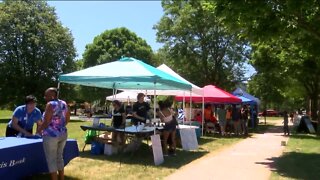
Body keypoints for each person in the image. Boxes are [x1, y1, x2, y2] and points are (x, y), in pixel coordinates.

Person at [39, 87, 70, 180]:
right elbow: (68, 118)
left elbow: (46, 121)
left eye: (46, 95)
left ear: (52, 96)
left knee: (51, 159)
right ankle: (61, 178)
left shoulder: (50, 104)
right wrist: (61, 126)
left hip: (51, 136)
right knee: (59, 157)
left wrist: (38, 130)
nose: (45, 97)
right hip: (63, 134)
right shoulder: (64, 103)